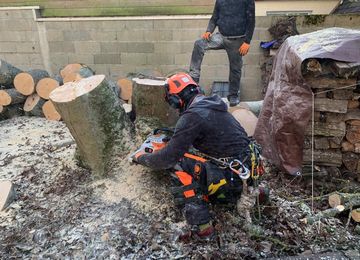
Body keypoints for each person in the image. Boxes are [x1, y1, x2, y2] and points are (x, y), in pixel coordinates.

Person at [131, 73, 263, 240]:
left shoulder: (193, 115)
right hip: (249, 172)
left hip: (230, 180)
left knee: (178, 163)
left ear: (176, 99)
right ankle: (254, 194)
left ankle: (201, 225)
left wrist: (141, 158)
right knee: (193, 156)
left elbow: (167, 158)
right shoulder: (214, 105)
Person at [189, 0, 255, 107]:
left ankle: (233, 96)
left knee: (235, 69)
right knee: (199, 44)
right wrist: (209, 30)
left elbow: (251, 20)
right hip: (221, 37)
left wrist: (247, 42)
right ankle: (194, 78)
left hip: (237, 40)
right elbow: (214, 17)